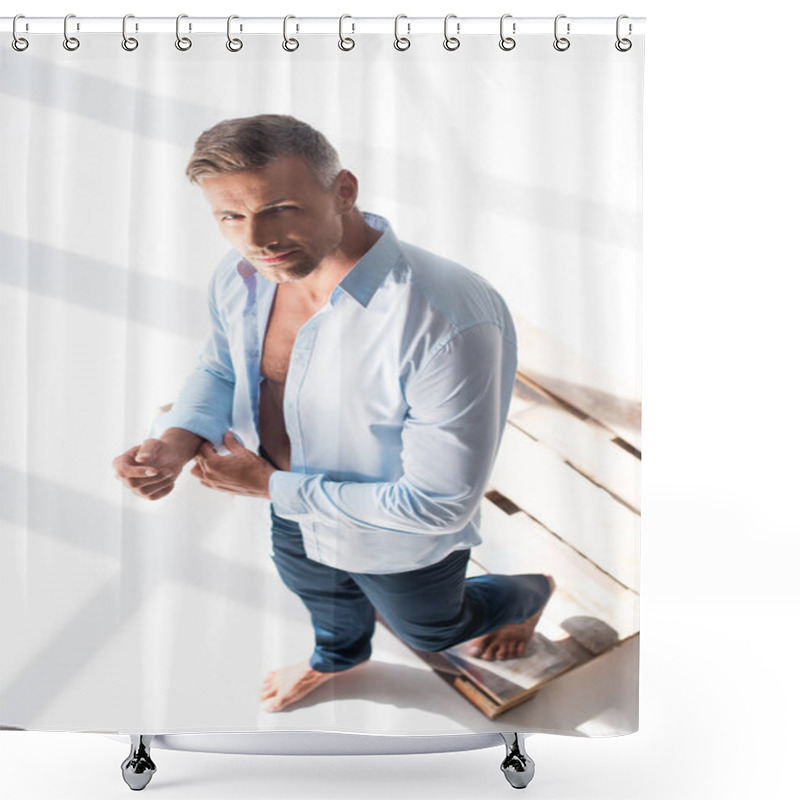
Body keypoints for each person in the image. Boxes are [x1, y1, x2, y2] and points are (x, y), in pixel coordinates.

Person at [112, 114, 555, 713]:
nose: (256, 238)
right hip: (285, 504)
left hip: (396, 537)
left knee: (430, 630)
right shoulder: (243, 275)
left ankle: (531, 593)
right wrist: (177, 438)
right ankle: (339, 657)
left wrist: (270, 485)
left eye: (281, 208)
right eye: (231, 217)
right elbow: (222, 368)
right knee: (320, 597)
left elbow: (438, 504)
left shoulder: (449, 316)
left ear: (343, 190)